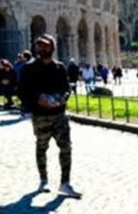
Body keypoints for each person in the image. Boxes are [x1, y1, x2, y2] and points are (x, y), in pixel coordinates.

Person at [18, 34, 81, 198]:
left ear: (52, 47)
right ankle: (43, 180)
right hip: (40, 116)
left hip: (59, 115)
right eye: (40, 46)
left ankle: (65, 183)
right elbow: (23, 91)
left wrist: (62, 99)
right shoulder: (29, 68)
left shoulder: (59, 67)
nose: (42, 48)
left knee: (66, 148)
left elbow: (66, 88)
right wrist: (38, 100)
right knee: (41, 148)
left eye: (45, 46)